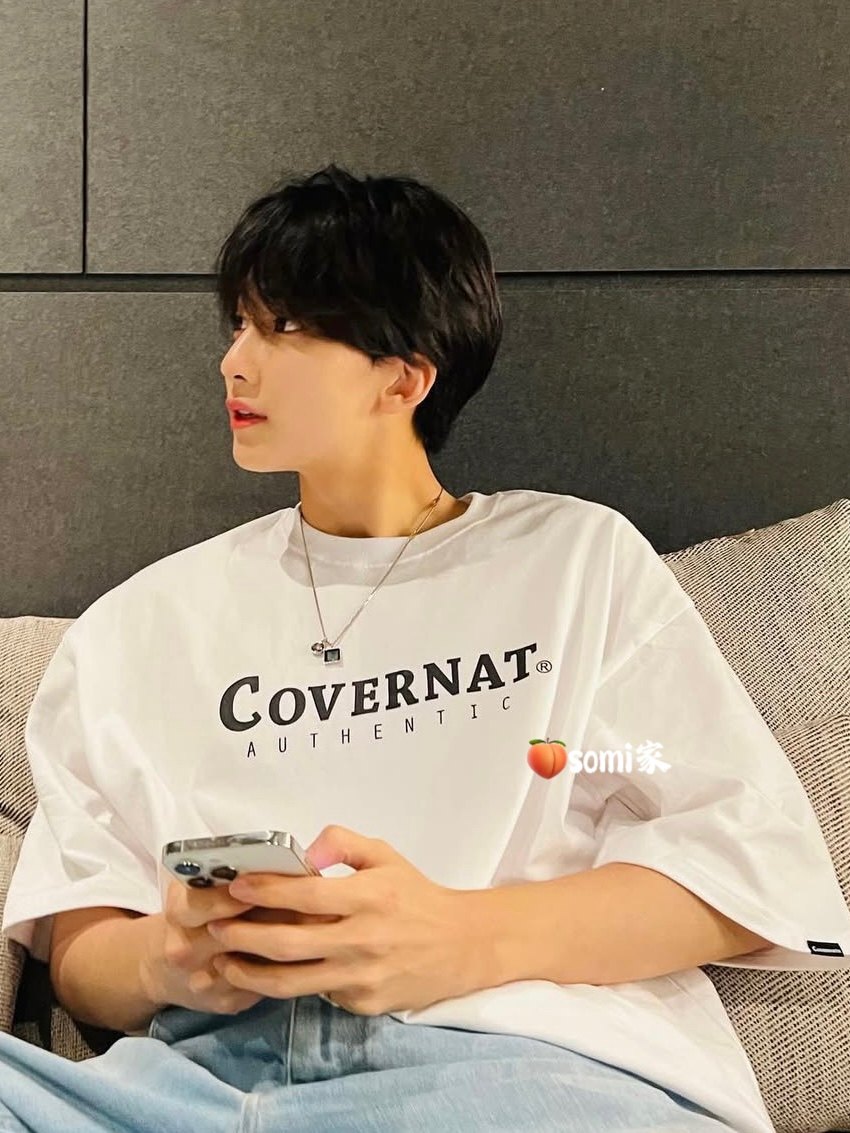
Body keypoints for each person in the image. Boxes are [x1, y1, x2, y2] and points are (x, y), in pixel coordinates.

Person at [2, 163, 849, 1133]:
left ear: (404, 376)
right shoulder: (142, 622)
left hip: (511, 1069)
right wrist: (174, 957)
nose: (235, 362)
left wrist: (457, 934)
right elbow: (81, 943)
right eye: (238, 324)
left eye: (284, 326)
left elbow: (739, 872)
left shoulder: (572, 561)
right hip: (195, 1082)